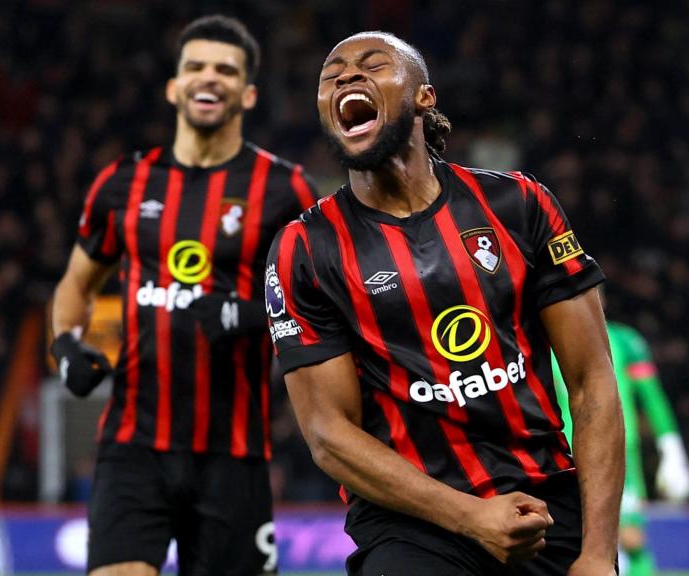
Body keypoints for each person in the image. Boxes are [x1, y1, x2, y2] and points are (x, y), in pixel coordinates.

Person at [265, 31, 624, 575]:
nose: (345, 77)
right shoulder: (306, 248)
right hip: (411, 527)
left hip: (547, 508)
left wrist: (598, 553)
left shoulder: (518, 204)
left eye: (372, 64)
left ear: (423, 98)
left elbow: (591, 380)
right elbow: (328, 435)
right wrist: (470, 517)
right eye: (330, 74)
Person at [50, 15, 317, 576]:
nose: (209, 77)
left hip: (235, 452)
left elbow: (323, 306)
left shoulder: (284, 189)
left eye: (226, 70)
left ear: (247, 94)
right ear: (174, 86)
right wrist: (66, 345)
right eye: (196, 66)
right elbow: (76, 284)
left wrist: (255, 315)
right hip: (132, 445)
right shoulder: (123, 183)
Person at [552, 320, 689, 576]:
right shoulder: (541, 336)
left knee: (631, 537)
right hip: (560, 452)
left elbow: (651, 396)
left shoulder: (626, 341)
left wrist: (672, 449)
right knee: (568, 540)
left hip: (616, 448)